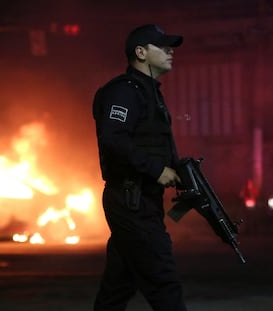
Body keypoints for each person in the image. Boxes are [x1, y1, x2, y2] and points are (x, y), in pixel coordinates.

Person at [92, 24, 187, 311]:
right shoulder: (125, 91)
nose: (170, 51)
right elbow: (113, 138)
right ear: (141, 52)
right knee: (163, 280)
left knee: (119, 285)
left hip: (143, 199)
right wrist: (157, 170)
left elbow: (152, 142)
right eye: (163, 47)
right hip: (131, 199)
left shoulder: (149, 93)